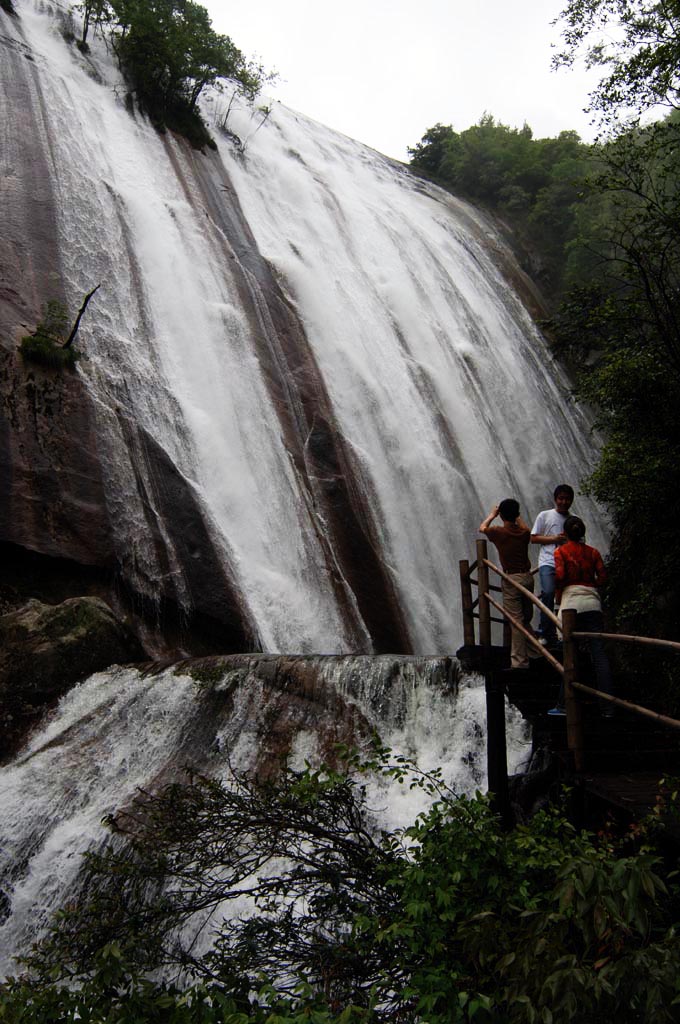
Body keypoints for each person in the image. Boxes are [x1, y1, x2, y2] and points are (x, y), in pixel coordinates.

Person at [549, 514, 614, 717]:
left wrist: (557, 595)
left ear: (566, 534)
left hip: (571, 606)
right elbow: (603, 577)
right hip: (593, 604)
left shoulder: (561, 551)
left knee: (570, 656)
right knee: (599, 656)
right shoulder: (593, 552)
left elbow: (559, 576)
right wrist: (590, 584)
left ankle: (563, 705)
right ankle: (608, 708)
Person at [479, 499, 536, 670]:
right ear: (517, 515)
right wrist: (517, 516)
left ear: (501, 515)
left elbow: (482, 528)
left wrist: (492, 515)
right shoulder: (524, 534)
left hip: (512, 580)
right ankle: (536, 652)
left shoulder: (499, 532)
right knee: (525, 619)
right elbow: (527, 529)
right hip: (527, 578)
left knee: (516, 621)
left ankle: (519, 662)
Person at [530, 484, 574, 646]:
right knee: (548, 593)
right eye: (561, 498)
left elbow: (580, 542)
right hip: (548, 562)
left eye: (567, 499)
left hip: (568, 564)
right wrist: (555, 539)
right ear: (555, 499)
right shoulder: (545, 515)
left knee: (566, 599)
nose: (564, 502)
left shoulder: (574, 520)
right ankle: (545, 631)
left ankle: (563, 634)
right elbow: (533, 538)